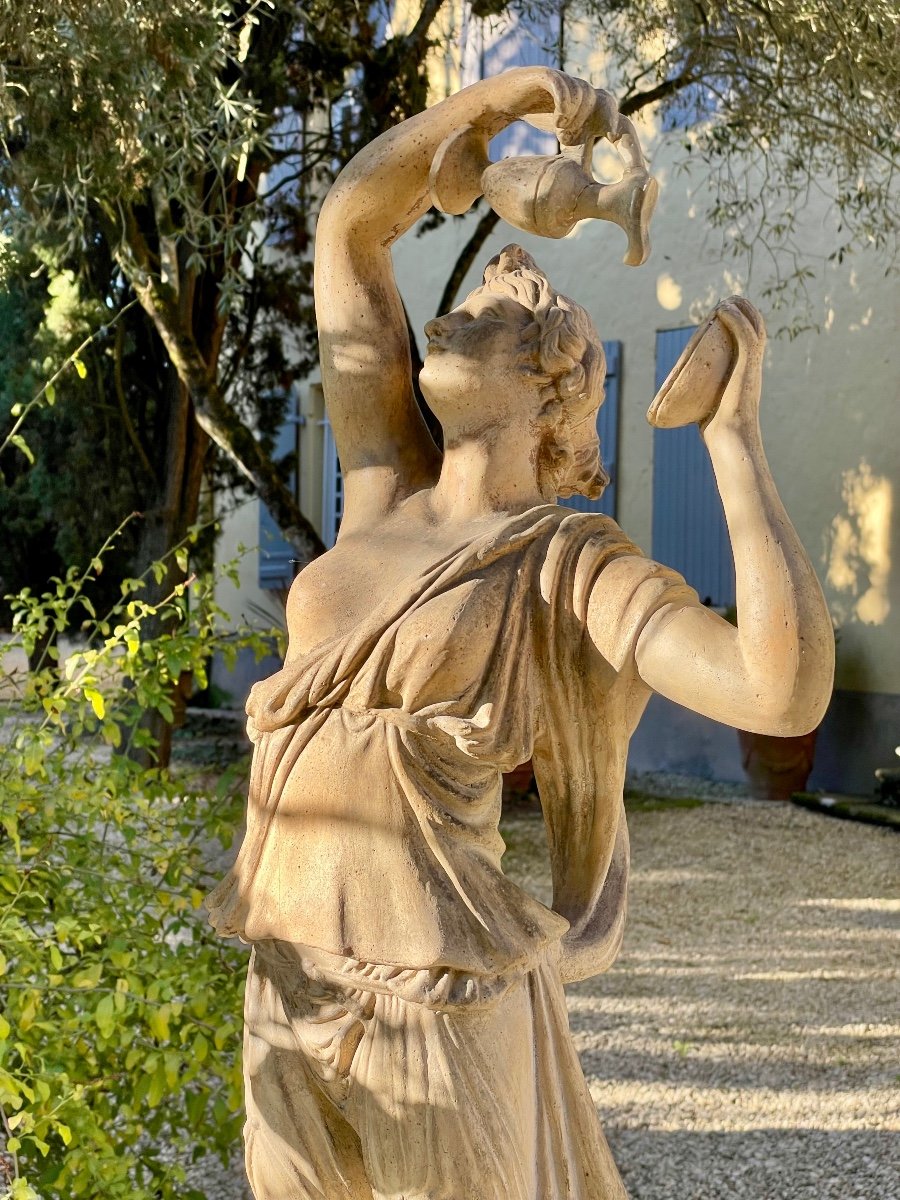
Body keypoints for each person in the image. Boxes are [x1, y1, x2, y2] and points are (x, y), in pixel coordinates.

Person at [207, 67, 834, 1200]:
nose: (450, 312)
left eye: (492, 314)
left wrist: (733, 443)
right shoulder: (381, 489)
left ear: (550, 391)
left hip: (436, 996)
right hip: (284, 967)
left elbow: (777, 695)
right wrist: (486, 106)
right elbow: (352, 225)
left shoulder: (565, 561)